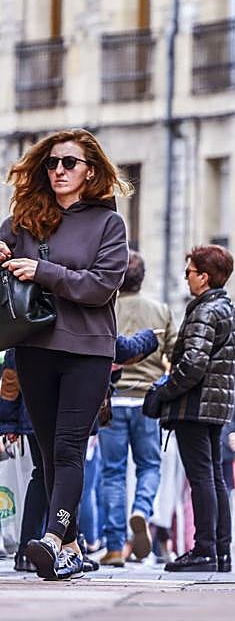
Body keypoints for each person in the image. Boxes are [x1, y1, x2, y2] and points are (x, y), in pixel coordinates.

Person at [1, 129, 130, 580]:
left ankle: (53, 539)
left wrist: (44, 271)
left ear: (90, 171)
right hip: (34, 347)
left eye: (69, 163)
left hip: (87, 349)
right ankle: (71, 549)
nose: (58, 170)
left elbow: (99, 287)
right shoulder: (24, 218)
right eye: (52, 163)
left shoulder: (108, 224)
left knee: (68, 447)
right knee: (46, 455)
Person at [142, 244, 235, 574]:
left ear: (204, 276)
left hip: (194, 406)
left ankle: (204, 550)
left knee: (200, 477)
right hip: (215, 406)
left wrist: (164, 392)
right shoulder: (228, 309)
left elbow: (193, 365)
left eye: (189, 272)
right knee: (213, 477)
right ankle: (221, 551)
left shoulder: (204, 311)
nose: (186, 278)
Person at [98, 250, 176, 566]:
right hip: (148, 401)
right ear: (142, 279)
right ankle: (142, 510)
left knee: (112, 473)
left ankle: (115, 547)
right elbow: (175, 353)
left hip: (112, 400)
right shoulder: (161, 311)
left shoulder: (106, 308)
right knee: (149, 465)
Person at [1, 350, 44, 573]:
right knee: (65, 475)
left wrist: (9, 423)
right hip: (63, 412)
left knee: (43, 475)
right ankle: (65, 547)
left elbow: (10, 377)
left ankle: (28, 550)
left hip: (33, 413)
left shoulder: (25, 331)